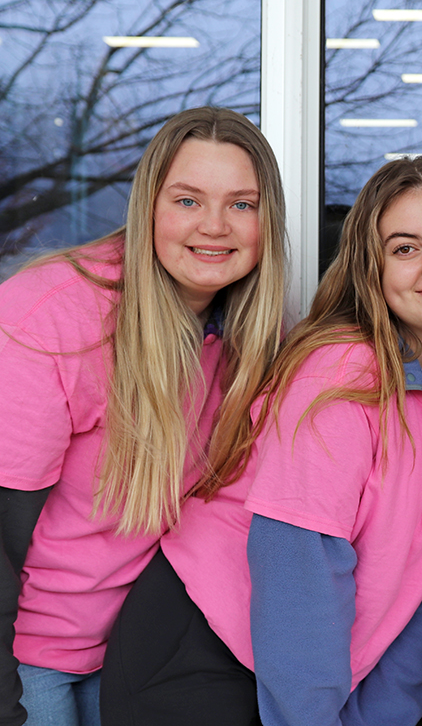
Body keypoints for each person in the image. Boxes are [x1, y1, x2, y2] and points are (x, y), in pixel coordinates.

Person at [99, 157, 422, 726]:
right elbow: (298, 570)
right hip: (205, 650)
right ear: (372, 269)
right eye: (405, 248)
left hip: (311, 671)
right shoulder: (340, 373)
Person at [0, 107, 287, 726]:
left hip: (143, 655)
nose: (215, 226)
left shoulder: (247, 338)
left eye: (242, 204)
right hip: (30, 663)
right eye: (188, 200)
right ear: (148, 207)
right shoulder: (50, 316)